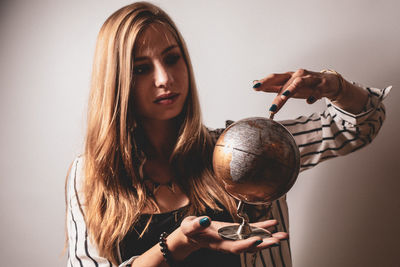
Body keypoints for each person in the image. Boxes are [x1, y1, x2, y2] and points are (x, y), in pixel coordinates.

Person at [65, 2, 390, 267]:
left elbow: (360, 125)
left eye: (171, 58)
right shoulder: (92, 175)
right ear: (116, 82)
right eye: (141, 68)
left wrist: (327, 85)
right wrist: (178, 244)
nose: (164, 78)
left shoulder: (246, 148)